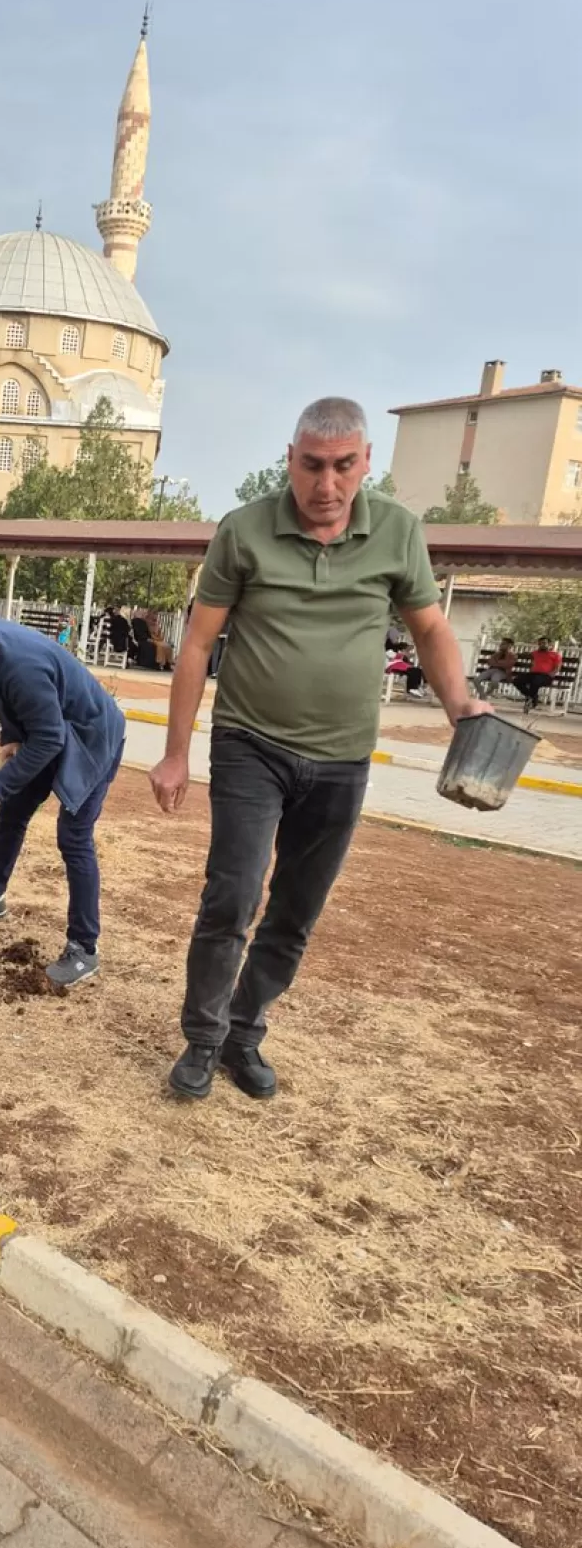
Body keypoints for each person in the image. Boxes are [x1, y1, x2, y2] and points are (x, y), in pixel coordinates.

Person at [149, 396, 490, 1102]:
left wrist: (460, 705)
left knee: (297, 909)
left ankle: (245, 1033)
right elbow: (198, 645)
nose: (325, 485)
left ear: (367, 463)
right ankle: (203, 1039)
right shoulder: (244, 531)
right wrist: (176, 753)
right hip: (251, 746)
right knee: (232, 897)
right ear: (290, 461)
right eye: (311, 466)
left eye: (342, 467)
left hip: (342, 758)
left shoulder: (397, 531)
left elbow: (429, 630)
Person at [0, 608, 126, 989]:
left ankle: (84, 948)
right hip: (52, 730)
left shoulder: (18, 664)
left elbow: (49, 739)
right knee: (13, 811)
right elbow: (13, 708)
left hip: (91, 737)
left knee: (73, 836)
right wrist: (12, 741)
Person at [514, 638, 563, 710]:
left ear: (549, 644)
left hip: (546, 676)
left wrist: (551, 674)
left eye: (544, 643)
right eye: (540, 643)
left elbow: (557, 668)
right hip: (533, 674)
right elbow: (526, 654)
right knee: (517, 680)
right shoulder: (535, 653)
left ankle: (530, 702)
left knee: (535, 681)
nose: (541, 645)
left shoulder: (555, 655)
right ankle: (532, 697)